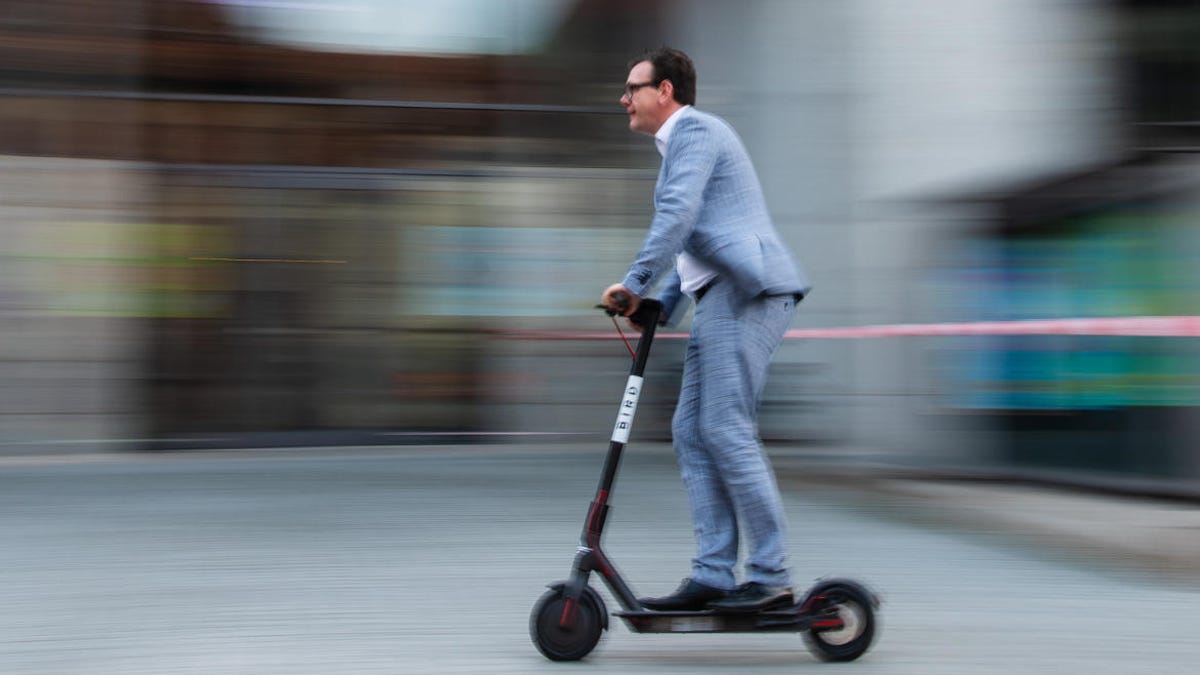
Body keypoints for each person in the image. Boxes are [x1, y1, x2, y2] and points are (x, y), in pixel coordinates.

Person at [601, 47, 811, 612]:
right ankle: (715, 573)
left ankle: (770, 576)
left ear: (665, 91)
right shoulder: (682, 144)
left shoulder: (695, 132)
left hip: (745, 294)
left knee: (724, 427)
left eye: (632, 87)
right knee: (693, 431)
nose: (625, 99)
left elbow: (677, 217)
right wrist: (658, 305)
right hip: (719, 296)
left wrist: (635, 281)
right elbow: (696, 241)